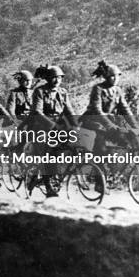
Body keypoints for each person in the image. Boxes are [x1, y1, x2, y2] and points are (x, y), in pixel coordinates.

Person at [28, 65, 79, 197]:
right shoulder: (39, 91)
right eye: (54, 78)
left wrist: (76, 125)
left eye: (59, 78)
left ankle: (57, 175)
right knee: (48, 155)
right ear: (48, 78)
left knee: (71, 147)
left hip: (59, 125)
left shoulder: (63, 92)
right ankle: (48, 186)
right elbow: (37, 112)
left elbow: (69, 111)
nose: (57, 81)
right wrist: (52, 126)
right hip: (42, 126)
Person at [81, 61, 138, 155]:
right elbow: (97, 111)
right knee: (101, 148)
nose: (115, 78)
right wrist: (111, 126)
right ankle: (97, 167)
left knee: (126, 143)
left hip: (109, 124)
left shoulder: (117, 90)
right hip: (94, 122)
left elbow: (125, 110)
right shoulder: (98, 89)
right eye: (112, 76)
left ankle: (117, 168)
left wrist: (135, 126)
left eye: (117, 75)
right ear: (106, 77)